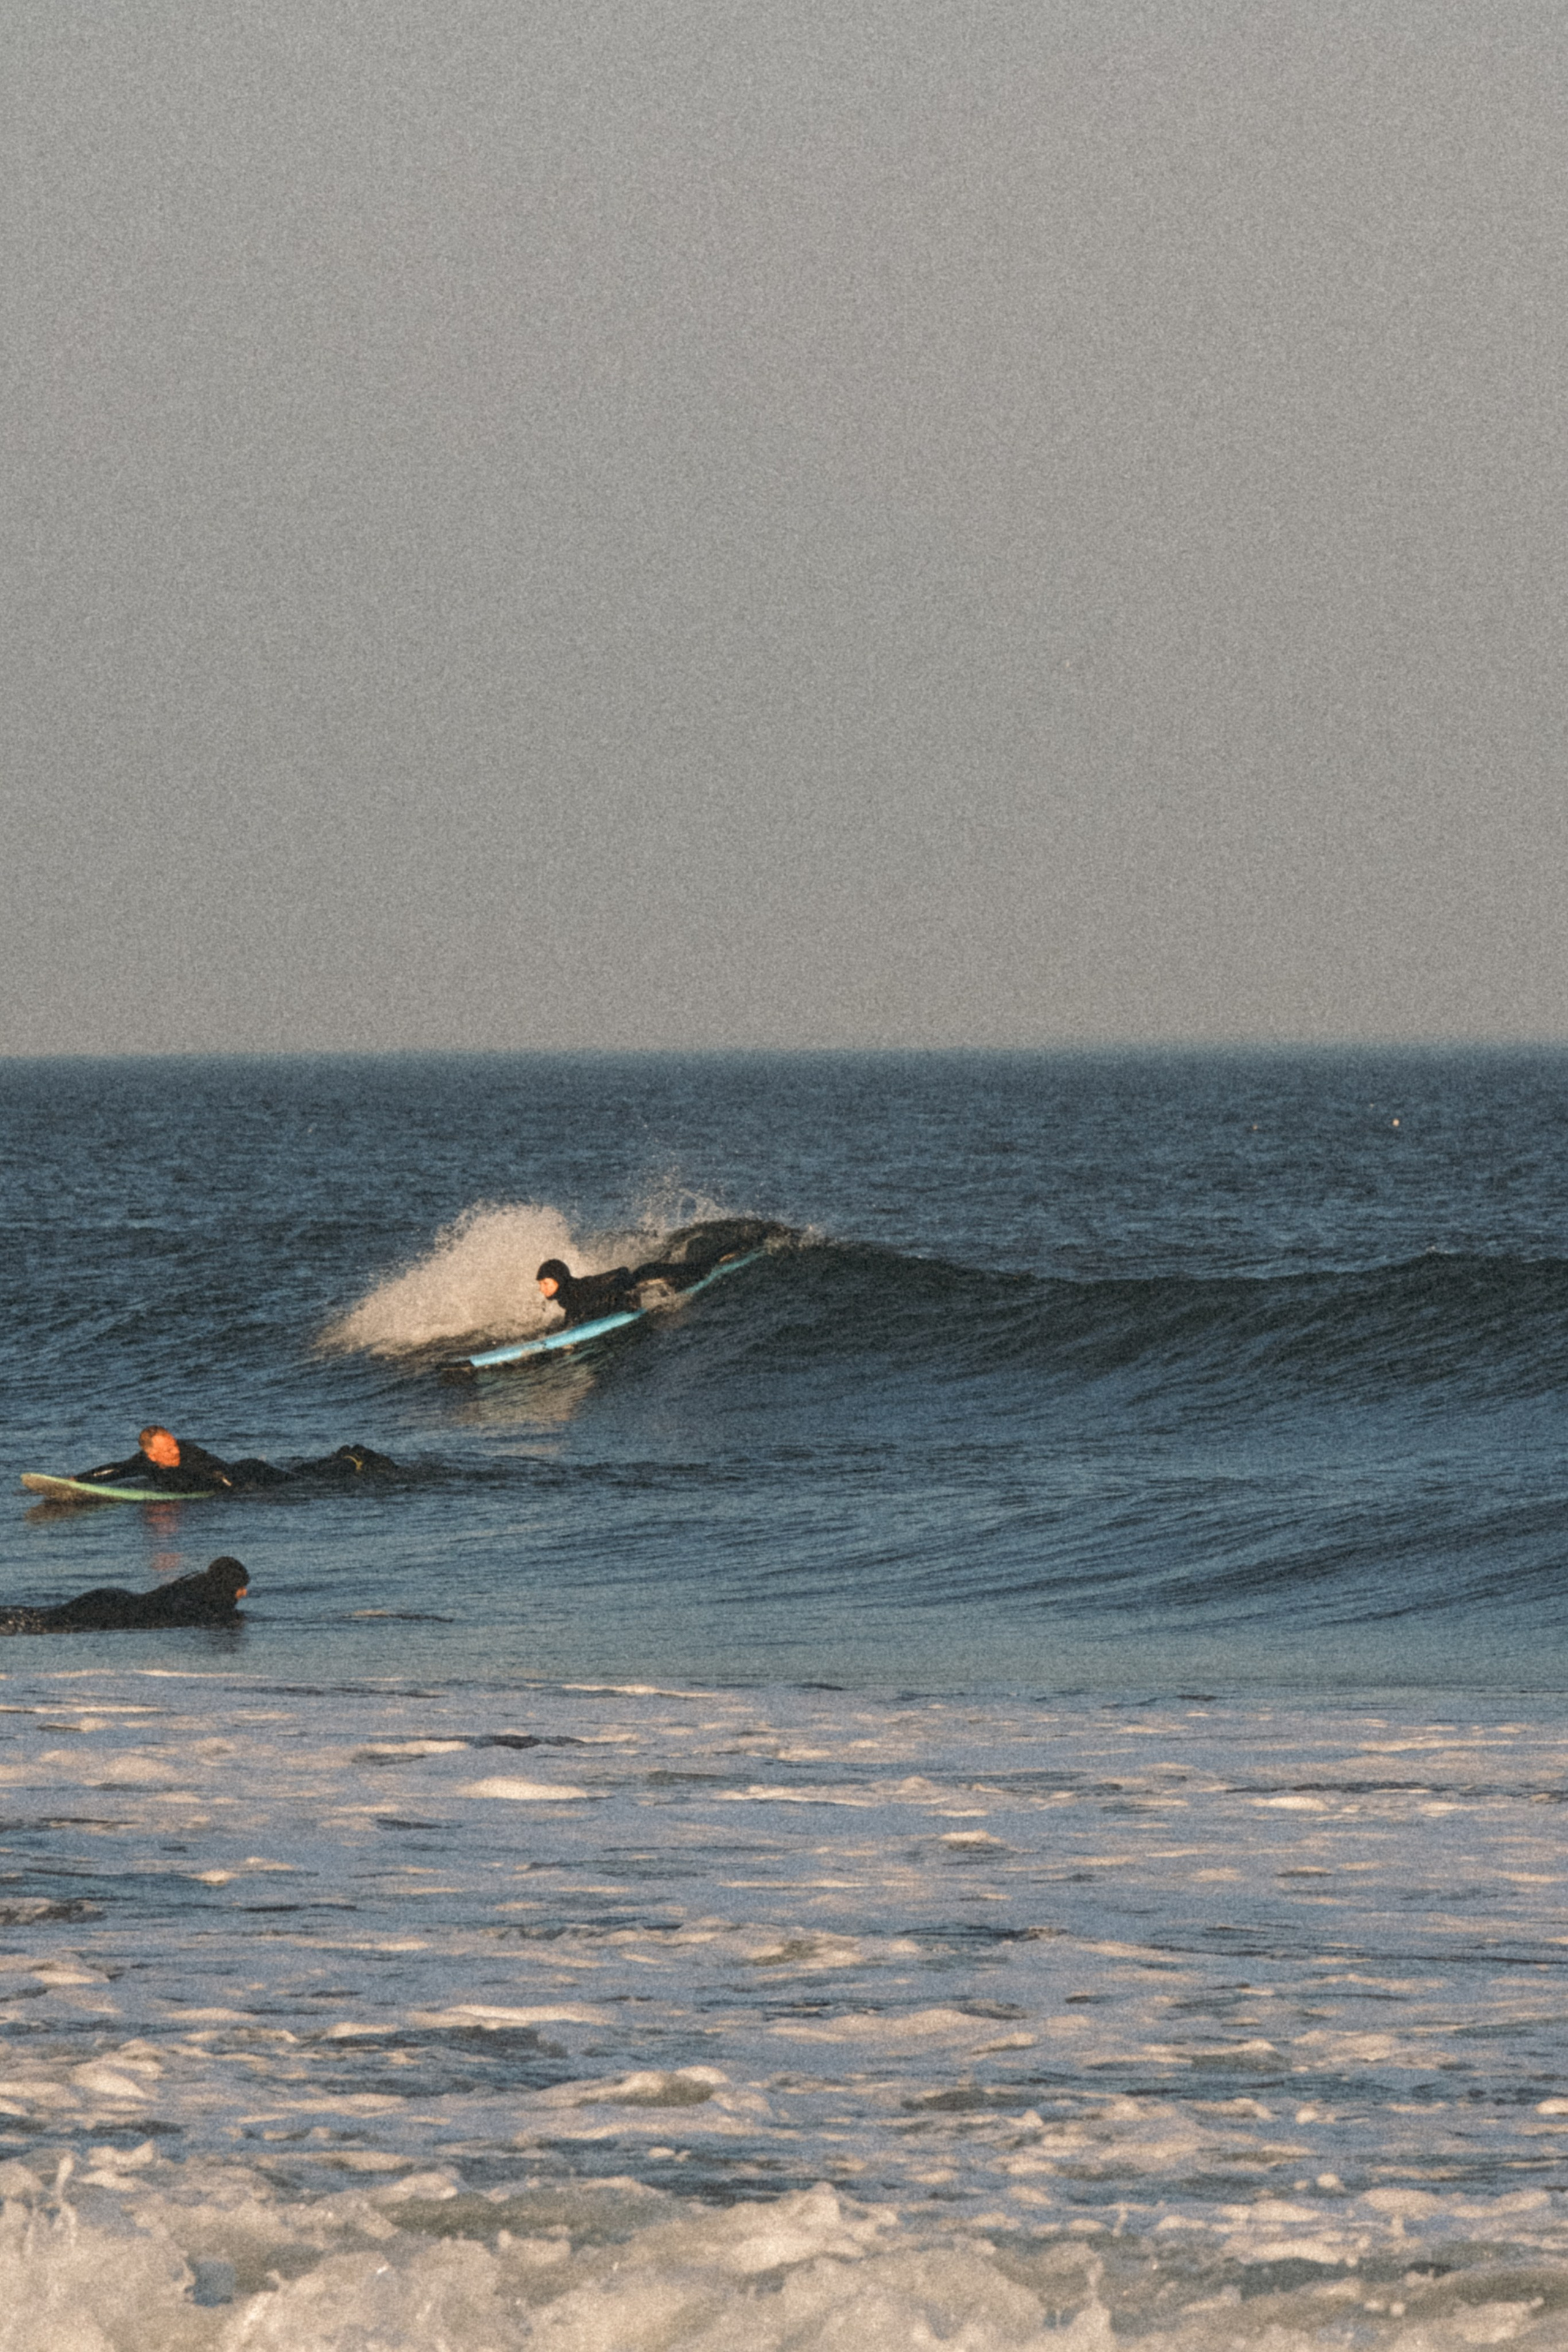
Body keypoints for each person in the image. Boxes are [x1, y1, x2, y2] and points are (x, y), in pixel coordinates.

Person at [72, 1428, 399, 1492]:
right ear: (151, 1453)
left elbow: (217, 1474)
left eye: (174, 1445)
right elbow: (115, 1470)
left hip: (248, 1472)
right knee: (300, 1471)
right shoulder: (143, 1462)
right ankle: (340, 1455)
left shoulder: (190, 1455)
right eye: (168, 1450)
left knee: (307, 1481)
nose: (176, 1451)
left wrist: (242, 1492)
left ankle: (352, 1459)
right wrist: (77, 1481)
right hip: (238, 1476)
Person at [0, 1556, 250, 1635]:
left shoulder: (195, 1588)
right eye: (241, 1586)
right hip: (112, 1608)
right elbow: (179, 1613)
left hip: (112, 1599)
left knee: (39, 1618)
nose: (244, 1592)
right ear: (228, 1584)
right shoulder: (200, 1599)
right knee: (42, 1623)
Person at [535, 1259, 637, 1328]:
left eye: (545, 1283)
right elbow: (574, 1310)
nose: (541, 1289)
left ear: (559, 1280)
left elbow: (621, 1272)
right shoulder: (565, 1298)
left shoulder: (582, 1288)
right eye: (540, 1284)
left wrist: (630, 1297)